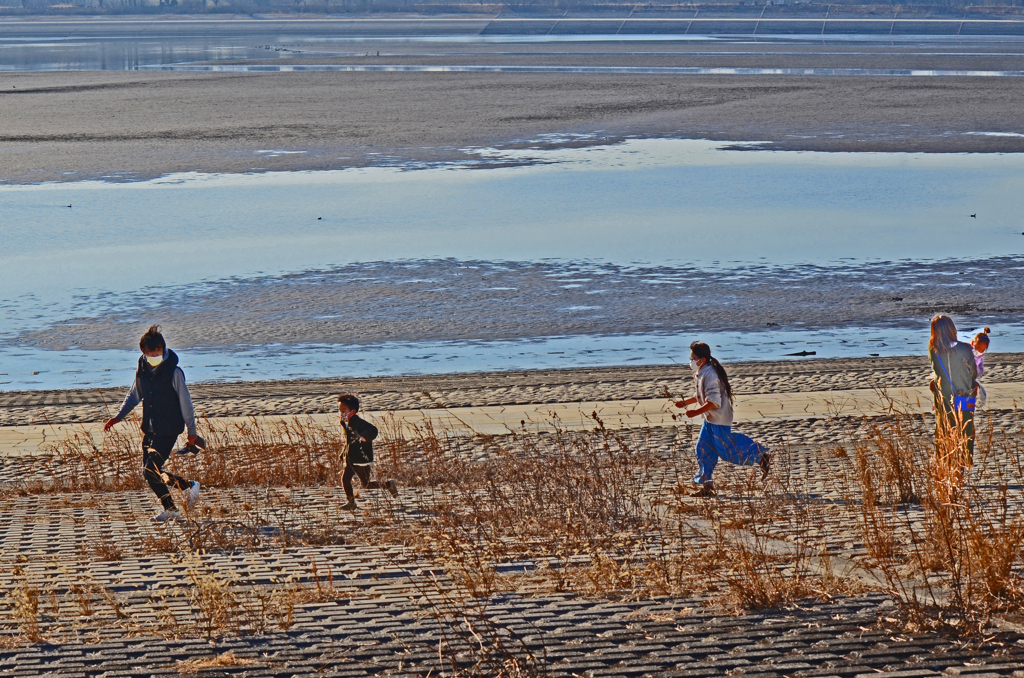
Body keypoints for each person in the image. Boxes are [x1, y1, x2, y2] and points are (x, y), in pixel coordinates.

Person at [104, 325, 201, 523]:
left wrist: (192, 432)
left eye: (159, 350)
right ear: (144, 353)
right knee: (152, 473)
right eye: (151, 351)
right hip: (150, 429)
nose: (156, 353)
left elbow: (186, 403)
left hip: (168, 429)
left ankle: (174, 506)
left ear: (164, 349)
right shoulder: (142, 371)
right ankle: (187, 488)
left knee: (149, 470)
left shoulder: (174, 373)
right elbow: (134, 396)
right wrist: (118, 416)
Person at [674, 342, 771, 497]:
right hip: (710, 420)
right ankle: (707, 486)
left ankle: (760, 455)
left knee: (727, 450)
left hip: (719, 419)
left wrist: (695, 412)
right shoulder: (700, 373)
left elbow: (713, 402)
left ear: (703, 360)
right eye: (690, 358)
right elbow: (699, 396)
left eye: (693, 358)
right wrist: (685, 403)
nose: (690, 362)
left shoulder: (710, 374)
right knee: (703, 448)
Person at [928, 315, 978, 470]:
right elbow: (973, 373)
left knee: (944, 429)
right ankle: (964, 462)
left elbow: (937, 372)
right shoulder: (965, 348)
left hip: (944, 396)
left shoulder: (933, 350)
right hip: (965, 394)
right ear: (952, 329)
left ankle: (947, 462)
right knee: (967, 428)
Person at [338, 394, 398, 511]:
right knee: (345, 478)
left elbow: (373, 430)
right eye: (339, 410)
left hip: (361, 458)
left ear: (353, 411)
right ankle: (351, 502)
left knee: (366, 484)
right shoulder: (346, 423)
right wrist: (343, 454)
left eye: (344, 410)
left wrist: (365, 436)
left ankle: (389, 484)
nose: (341, 413)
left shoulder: (359, 422)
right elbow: (348, 442)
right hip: (350, 458)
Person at [971, 328, 991, 409]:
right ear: (973, 343)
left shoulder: (980, 356)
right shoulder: (967, 352)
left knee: (969, 409)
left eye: (982, 350)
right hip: (963, 383)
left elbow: (980, 370)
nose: (980, 351)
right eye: (978, 348)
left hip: (972, 382)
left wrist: (977, 372)